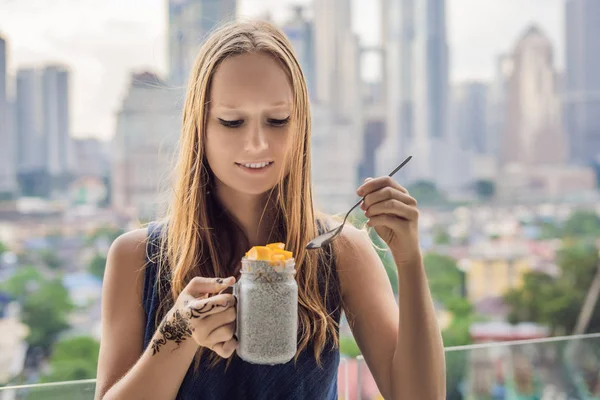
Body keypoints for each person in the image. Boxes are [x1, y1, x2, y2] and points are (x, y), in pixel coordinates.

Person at [94, 20, 445, 400]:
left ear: (301, 127)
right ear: (200, 127)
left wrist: (409, 260)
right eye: (232, 122)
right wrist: (178, 333)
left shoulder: (341, 250)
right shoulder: (137, 256)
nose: (257, 143)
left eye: (278, 121)